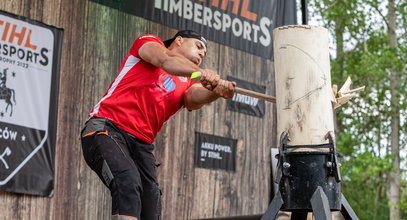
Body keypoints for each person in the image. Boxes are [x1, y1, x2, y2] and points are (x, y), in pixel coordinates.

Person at [80, 30, 236, 220]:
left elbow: (194, 98)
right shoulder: (149, 44)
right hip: (106, 129)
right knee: (127, 181)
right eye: (199, 46)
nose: (202, 54)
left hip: (141, 145)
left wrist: (217, 91)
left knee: (151, 202)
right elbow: (166, 60)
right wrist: (202, 74)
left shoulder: (187, 82)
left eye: (204, 54)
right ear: (179, 40)